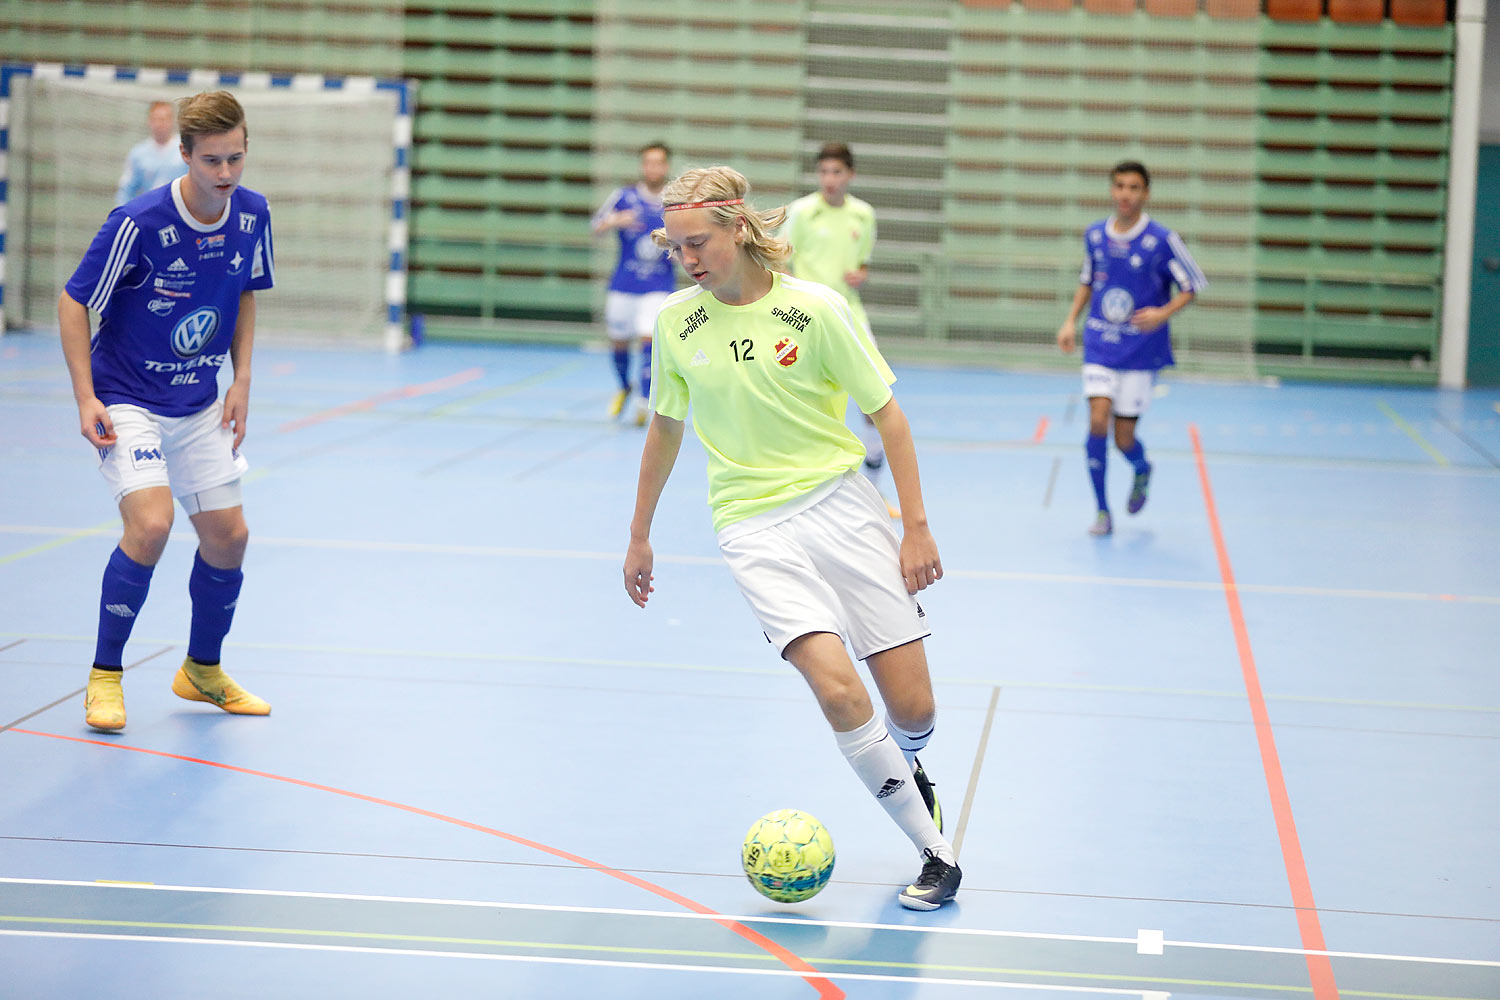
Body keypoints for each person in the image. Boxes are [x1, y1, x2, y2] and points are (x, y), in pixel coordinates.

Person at [622, 166, 960, 910]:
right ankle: (935, 853)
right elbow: (665, 428)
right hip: (751, 525)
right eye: (677, 248)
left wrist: (917, 528)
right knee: (838, 691)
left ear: (738, 229)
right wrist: (640, 534)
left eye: (699, 243)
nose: (690, 260)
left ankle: (910, 763)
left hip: (844, 508)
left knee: (913, 711)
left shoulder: (818, 311)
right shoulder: (678, 325)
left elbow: (888, 417)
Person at [59, 91, 274, 732]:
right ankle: (105, 676)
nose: (227, 174)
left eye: (235, 158)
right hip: (127, 398)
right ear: (184, 155)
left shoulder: (253, 214)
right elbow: (75, 304)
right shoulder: (138, 222)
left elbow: (246, 295)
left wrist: (241, 383)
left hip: (199, 399)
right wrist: (84, 397)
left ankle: (201, 671)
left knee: (229, 537)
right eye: (212, 161)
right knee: (151, 525)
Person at [1056, 160, 1206, 536]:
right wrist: (1070, 321)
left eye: (1134, 187)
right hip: (1100, 344)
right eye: (1120, 186)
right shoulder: (1095, 235)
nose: (1126, 193)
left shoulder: (1162, 240)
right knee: (1096, 419)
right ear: (1112, 190)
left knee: (1124, 439)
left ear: (1146, 193)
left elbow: (1193, 285)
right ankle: (1103, 511)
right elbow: (1087, 281)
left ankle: (1141, 468)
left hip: (1140, 351)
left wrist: (1162, 313)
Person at [784, 141, 898, 519]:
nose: (829, 180)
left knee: (874, 401)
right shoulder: (801, 212)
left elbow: (862, 264)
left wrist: (860, 274)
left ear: (850, 175)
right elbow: (779, 259)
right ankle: (797, 493)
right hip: (803, 317)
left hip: (850, 315)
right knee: (799, 402)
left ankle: (874, 491)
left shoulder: (863, 215)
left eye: (837, 173)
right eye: (823, 173)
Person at [592, 142, 675, 426]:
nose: (654, 168)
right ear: (643, 166)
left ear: (666, 166)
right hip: (624, 284)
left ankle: (643, 400)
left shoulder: (674, 200)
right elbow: (596, 226)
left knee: (647, 338)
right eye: (648, 162)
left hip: (658, 285)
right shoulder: (623, 196)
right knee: (618, 342)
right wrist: (616, 220)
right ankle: (624, 386)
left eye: (659, 163)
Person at [115, 100, 188, 206]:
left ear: (172, 121)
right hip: (150, 214)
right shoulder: (138, 154)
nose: (160, 124)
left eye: (164, 119)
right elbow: (126, 190)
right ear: (149, 121)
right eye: (156, 119)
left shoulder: (186, 150)